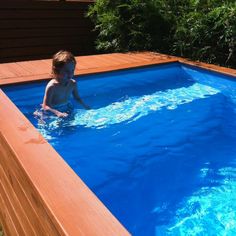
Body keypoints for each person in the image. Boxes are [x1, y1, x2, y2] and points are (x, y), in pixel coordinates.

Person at [42, 50, 90, 118]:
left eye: (72, 70)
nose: (70, 74)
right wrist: (57, 113)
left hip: (67, 107)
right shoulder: (52, 86)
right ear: (56, 70)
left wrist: (85, 106)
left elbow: (77, 98)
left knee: (72, 125)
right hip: (54, 110)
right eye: (66, 71)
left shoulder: (72, 83)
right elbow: (45, 106)